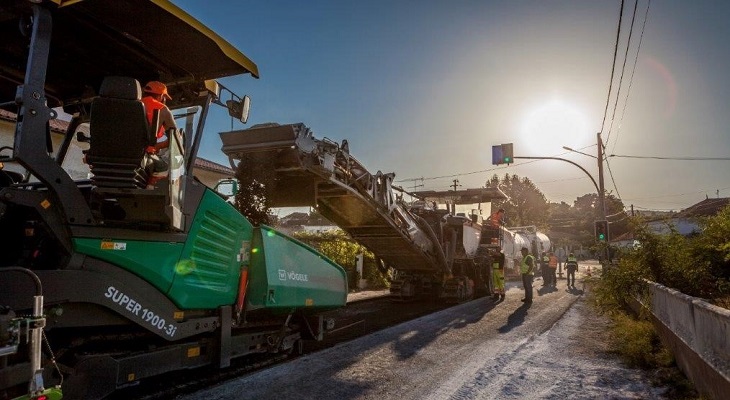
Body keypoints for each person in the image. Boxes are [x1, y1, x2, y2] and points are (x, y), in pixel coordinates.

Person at [141, 81, 177, 188]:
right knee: (165, 168)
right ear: (161, 96)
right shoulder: (162, 109)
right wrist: (157, 146)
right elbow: (174, 139)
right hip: (142, 155)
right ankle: (149, 190)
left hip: (117, 152)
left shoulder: (130, 105)